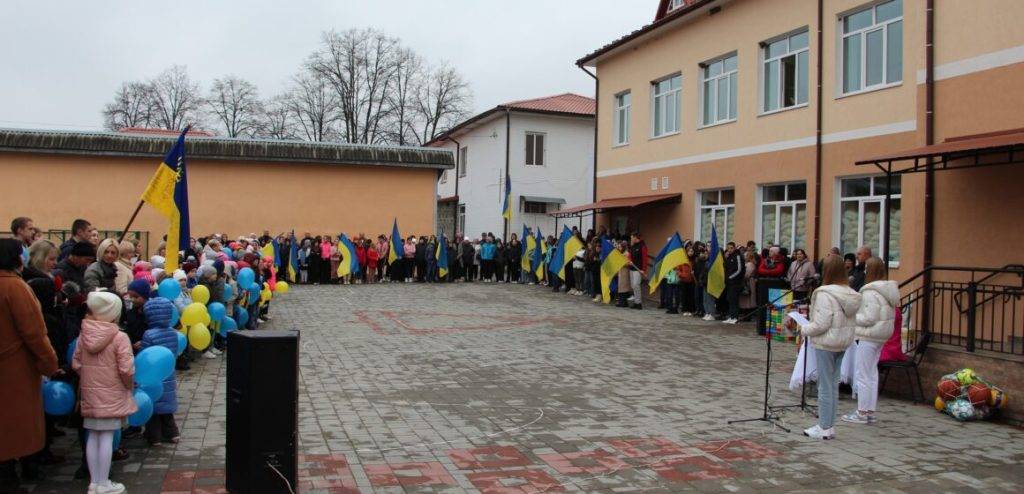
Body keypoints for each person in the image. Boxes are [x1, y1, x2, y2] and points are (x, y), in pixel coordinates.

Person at [0, 238, 60, 489]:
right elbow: (34, 332)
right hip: (15, 366)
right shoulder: (15, 287)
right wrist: (49, 363)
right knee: (15, 425)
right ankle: (10, 476)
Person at [72, 291, 137, 494]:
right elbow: (126, 369)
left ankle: (94, 482)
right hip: (112, 393)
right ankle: (103, 482)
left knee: (93, 435)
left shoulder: (84, 333)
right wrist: (129, 385)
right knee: (107, 436)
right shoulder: (120, 337)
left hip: (90, 394)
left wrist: (90, 379)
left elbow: (76, 363)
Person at [794, 254, 861, 440]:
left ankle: (824, 426)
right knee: (832, 384)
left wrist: (803, 329)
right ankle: (829, 426)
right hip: (842, 341)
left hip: (826, 342)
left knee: (825, 386)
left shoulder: (825, 294)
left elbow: (822, 323)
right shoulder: (849, 293)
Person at [844, 257, 898, 425]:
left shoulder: (870, 292)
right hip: (880, 335)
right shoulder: (887, 290)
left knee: (863, 373)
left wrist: (851, 316)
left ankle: (861, 412)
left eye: (867, 268)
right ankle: (869, 410)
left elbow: (868, 318)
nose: (865, 271)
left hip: (869, 335)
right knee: (872, 373)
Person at [140, 297, 181, 445]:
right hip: (168, 372)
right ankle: (172, 433)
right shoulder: (173, 333)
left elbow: (146, 355)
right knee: (167, 405)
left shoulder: (148, 334)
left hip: (153, 375)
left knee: (154, 406)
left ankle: (154, 436)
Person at [723, 242, 745, 324]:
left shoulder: (738, 256)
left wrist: (730, 277)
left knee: (734, 300)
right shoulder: (729, 257)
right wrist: (725, 258)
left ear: (735, 248)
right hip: (729, 283)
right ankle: (731, 316)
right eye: (728, 248)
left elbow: (739, 270)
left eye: (731, 248)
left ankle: (735, 317)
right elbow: (726, 267)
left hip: (736, 282)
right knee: (730, 299)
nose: (730, 250)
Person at [627, 233, 648, 309]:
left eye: (632, 238)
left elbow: (645, 259)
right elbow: (630, 255)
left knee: (636, 285)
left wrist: (643, 270)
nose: (631, 239)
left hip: (638, 270)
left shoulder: (642, 246)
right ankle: (636, 302)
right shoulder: (632, 246)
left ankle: (639, 303)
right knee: (633, 286)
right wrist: (629, 260)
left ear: (636, 237)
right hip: (632, 268)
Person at [739, 251, 758, 318]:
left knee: (748, 298)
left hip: (748, 282)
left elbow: (747, 274)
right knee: (746, 298)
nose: (744, 257)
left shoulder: (749, 264)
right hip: (748, 281)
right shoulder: (748, 264)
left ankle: (747, 315)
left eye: (745, 256)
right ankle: (746, 314)